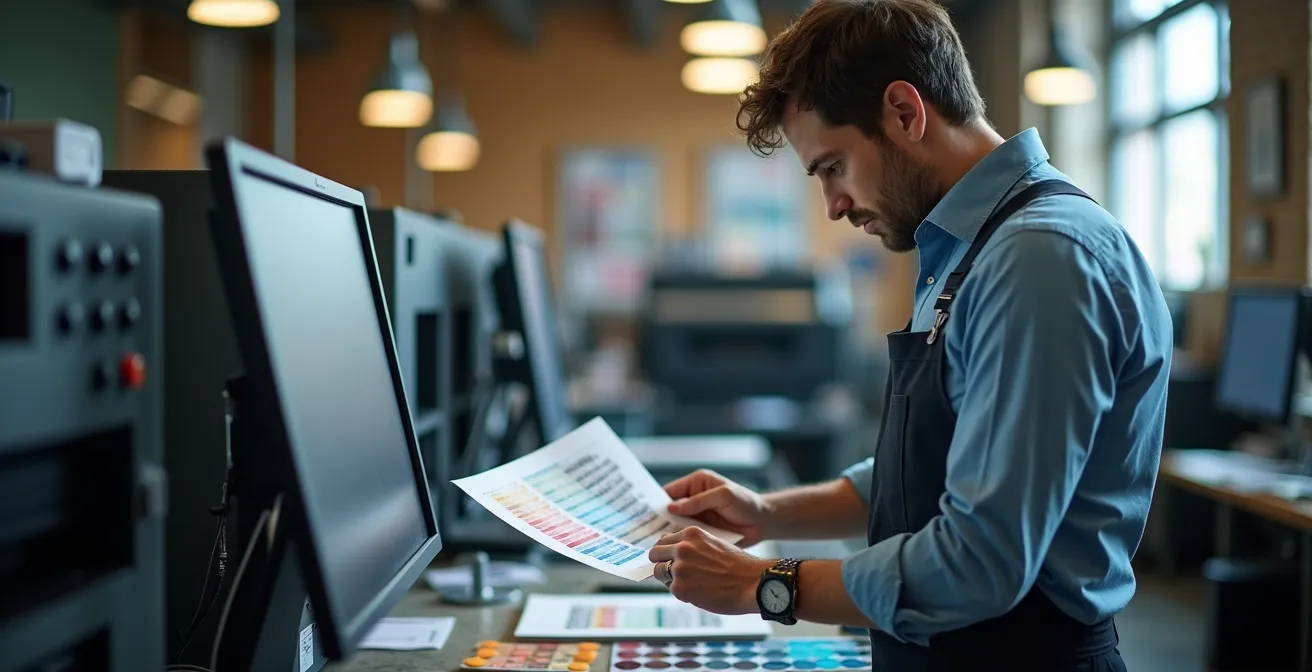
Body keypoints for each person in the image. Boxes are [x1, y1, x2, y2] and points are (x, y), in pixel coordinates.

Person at [646, 0, 1172, 669]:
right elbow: (934, 467)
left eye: (833, 166)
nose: (832, 205)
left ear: (903, 111)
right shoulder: (971, 250)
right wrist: (767, 512)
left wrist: (762, 585)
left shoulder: (1038, 259)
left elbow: (980, 560)